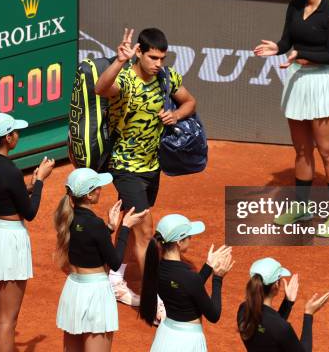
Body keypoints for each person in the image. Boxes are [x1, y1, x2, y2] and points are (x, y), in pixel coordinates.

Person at [94, 28, 197, 307]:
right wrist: (118, 61)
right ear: (139, 52)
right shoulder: (125, 79)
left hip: (152, 167)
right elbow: (101, 89)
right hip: (124, 167)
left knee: (132, 224)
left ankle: (115, 277)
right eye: (153, 57)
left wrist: (175, 115)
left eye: (162, 58)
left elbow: (189, 102)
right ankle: (156, 301)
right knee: (145, 230)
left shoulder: (166, 77)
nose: (158, 64)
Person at [253, 0, 329, 237]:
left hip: (322, 86)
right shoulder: (294, 5)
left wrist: (302, 55)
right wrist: (277, 48)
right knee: (301, 151)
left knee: (328, 152)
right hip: (298, 84)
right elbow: (287, 41)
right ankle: (301, 208)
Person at [0, 112, 55, 352]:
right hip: (9, 242)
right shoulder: (11, 171)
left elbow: (6, 193)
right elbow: (29, 212)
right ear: (7, 138)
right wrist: (39, 182)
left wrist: (26, 185)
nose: (18, 135)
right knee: (7, 320)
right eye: (15, 132)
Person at [54, 167, 147, 352]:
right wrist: (125, 227)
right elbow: (115, 261)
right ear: (88, 195)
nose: (100, 190)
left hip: (74, 290)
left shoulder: (68, 219)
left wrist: (110, 228)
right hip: (95, 294)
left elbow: (87, 241)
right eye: (97, 187)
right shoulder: (94, 224)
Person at [139, 213, 234, 351]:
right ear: (179, 242)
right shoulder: (188, 277)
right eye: (188, 236)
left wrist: (208, 266)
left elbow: (185, 288)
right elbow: (213, 315)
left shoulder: (156, 268)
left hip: (165, 336)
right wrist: (218, 278)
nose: (191, 238)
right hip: (189, 342)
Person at [237, 257, 329, 351]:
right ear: (276, 285)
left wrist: (287, 303)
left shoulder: (243, 310)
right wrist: (308, 314)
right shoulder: (282, 327)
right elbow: (274, 329)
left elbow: (267, 329)